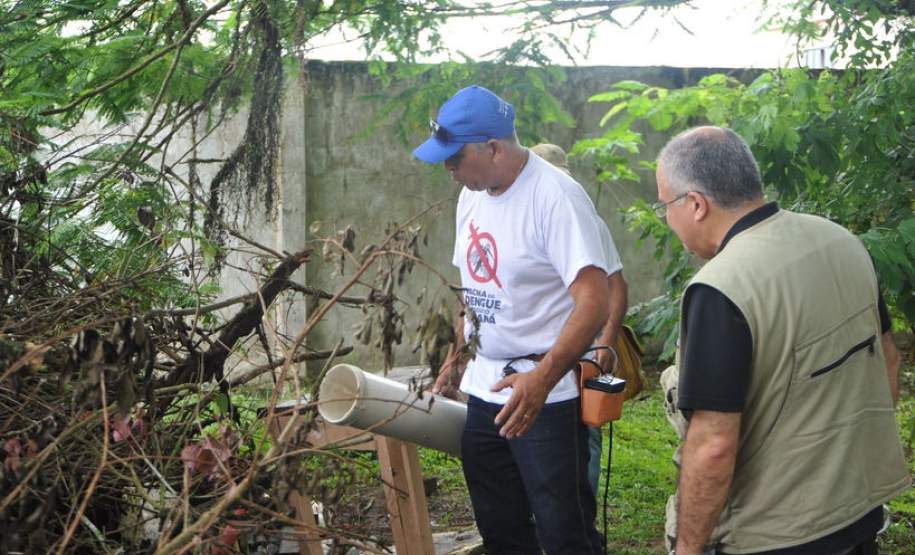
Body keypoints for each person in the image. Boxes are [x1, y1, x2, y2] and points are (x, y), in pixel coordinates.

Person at [655, 126, 911, 555]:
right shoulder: (840, 241)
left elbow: (713, 445)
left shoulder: (720, 288)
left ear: (696, 204)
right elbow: (886, 360)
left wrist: (687, 549)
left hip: (773, 537)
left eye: (664, 205)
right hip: (858, 515)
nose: (667, 217)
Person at [414, 85, 622, 554]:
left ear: (493, 146)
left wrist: (543, 378)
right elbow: (470, 287)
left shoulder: (555, 196)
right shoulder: (473, 194)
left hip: (546, 395)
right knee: (499, 524)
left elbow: (596, 299)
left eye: (455, 157)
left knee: (562, 527)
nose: (448, 170)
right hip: (485, 385)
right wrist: (456, 359)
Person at [530, 142, 629, 496]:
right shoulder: (517, 217)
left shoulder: (587, 221)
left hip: (583, 352)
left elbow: (616, 286)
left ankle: (582, 517)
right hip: (532, 357)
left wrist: (606, 339)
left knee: (586, 432)